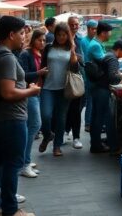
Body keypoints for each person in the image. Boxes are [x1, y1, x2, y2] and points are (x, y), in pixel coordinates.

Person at [0, 16, 39, 216]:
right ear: (11, 34)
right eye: (22, 33)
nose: (24, 37)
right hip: (11, 119)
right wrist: (31, 91)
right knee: (11, 165)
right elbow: (8, 92)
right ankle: (10, 210)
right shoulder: (6, 57)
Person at [38, 23, 79, 157]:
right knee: (45, 115)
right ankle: (47, 135)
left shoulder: (71, 48)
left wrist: (73, 51)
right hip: (48, 87)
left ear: (68, 35)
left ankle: (57, 146)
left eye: (64, 35)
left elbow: (75, 69)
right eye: (59, 34)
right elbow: (42, 64)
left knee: (61, 118)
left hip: (64, 88)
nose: (61, 37)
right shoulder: (49, 47)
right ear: (55, 35)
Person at [86, 24, 121, 153]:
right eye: (109, 32)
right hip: (99, 85)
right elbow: (105, 62)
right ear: (104, 33)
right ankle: (110, 146)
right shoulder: (95, 45)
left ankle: (96, 144)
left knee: (98, 115)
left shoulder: (96, 43)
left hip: (96, 85)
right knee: (104, 116)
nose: (110, 34)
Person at [17, 30, 48, 176]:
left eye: (44, 40)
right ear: (33, 39)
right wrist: (39, 73)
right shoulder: (26, 54)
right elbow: (22, 75)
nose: (42, 43)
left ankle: (25, 159)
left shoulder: (41, 54)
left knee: (33, 126)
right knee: (35, 125)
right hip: (29, 92)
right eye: (39, 40)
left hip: (38, 92)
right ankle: (24, 163)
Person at [64, 16, 87, 149]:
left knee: (76, 110)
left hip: (77, 78)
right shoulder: (62, 38)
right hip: (63, 78)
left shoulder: (80, 40)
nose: (74, 27)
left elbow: (82, 59)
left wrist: (76, 57)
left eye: (76, 25)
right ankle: (65, 131)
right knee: (64, 109)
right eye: (72, 24)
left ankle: (76, 137)